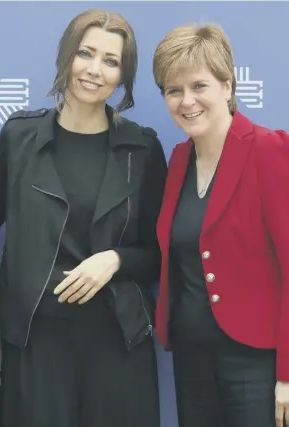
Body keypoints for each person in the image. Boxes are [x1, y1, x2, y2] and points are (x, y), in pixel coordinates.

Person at [0, 8, 167, 427]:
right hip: (36, 342)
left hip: (118, 341)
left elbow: (158, 254)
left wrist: (116, 259)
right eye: (86, 53)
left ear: (123, 75)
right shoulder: (19, 138)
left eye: (111, 61)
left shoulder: (142, 150)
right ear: (66, 56)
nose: (95, 70)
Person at [153, 23, 289, 427]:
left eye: (199, 86)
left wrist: (287, 374)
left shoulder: (270, 150)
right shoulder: (178, 160)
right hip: (191, 361)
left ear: (228, 86)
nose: (186, 101)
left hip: (255, 365)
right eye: (173, 91)